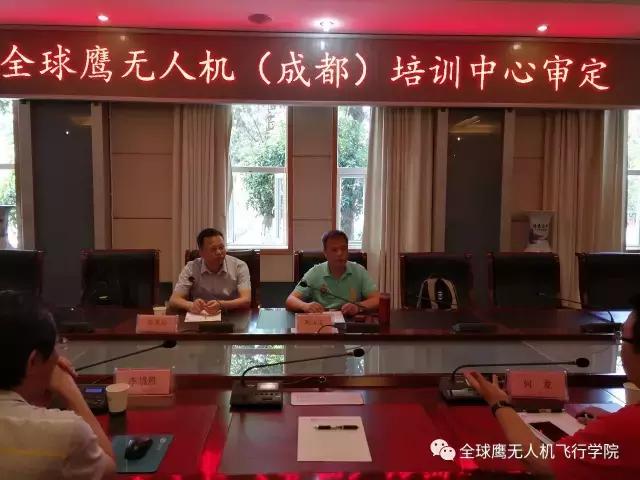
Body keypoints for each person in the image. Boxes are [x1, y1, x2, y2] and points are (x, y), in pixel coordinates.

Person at [464, 294, 640, 479]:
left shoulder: (628, 427)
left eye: (623, 338)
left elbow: (540, 461)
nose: (620, 347)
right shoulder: (625, 425)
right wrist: (612, 426)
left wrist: (499, 403)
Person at [0, 290, 115, 479]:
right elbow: (109, 471)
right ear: (34, 361)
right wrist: (67, 388)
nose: (58, 356)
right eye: (56, 346)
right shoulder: (65, 432)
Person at [285, 230, 379, 317]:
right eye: (334, 250)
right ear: (325, 253)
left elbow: (377, 299)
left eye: (343, 249)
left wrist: (358, 307)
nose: (340, 253)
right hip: (322, 321)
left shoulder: (359, 271)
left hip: (351, 322)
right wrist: (305, 306)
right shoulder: (315, 272)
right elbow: (290, 300)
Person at [169, 228, 251, 314]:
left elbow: (246, 300)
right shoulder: (191, 268)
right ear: (201, 253)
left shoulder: (239, 266)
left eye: (221, 247)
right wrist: (191, 305)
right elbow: (174, 299)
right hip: (201, 315)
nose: (219, 252)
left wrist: (221, 305)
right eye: (213, 249)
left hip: (231, 314)